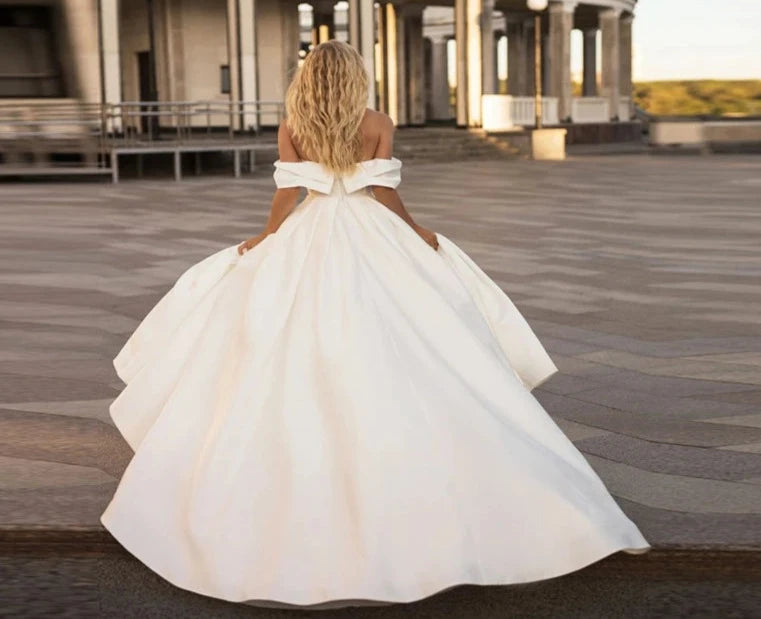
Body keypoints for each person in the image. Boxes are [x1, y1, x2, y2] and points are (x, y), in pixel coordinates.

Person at [100, 40, 650, 609]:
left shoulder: (294, 125)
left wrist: (267, 239)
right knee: (416, 341)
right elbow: (381, 191)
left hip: (309, 233)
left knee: (275, 340)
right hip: (371, 232)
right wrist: (418, 236)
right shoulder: (377, 122)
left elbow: (290, 194)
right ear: (356, 78)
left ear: (310, 78)